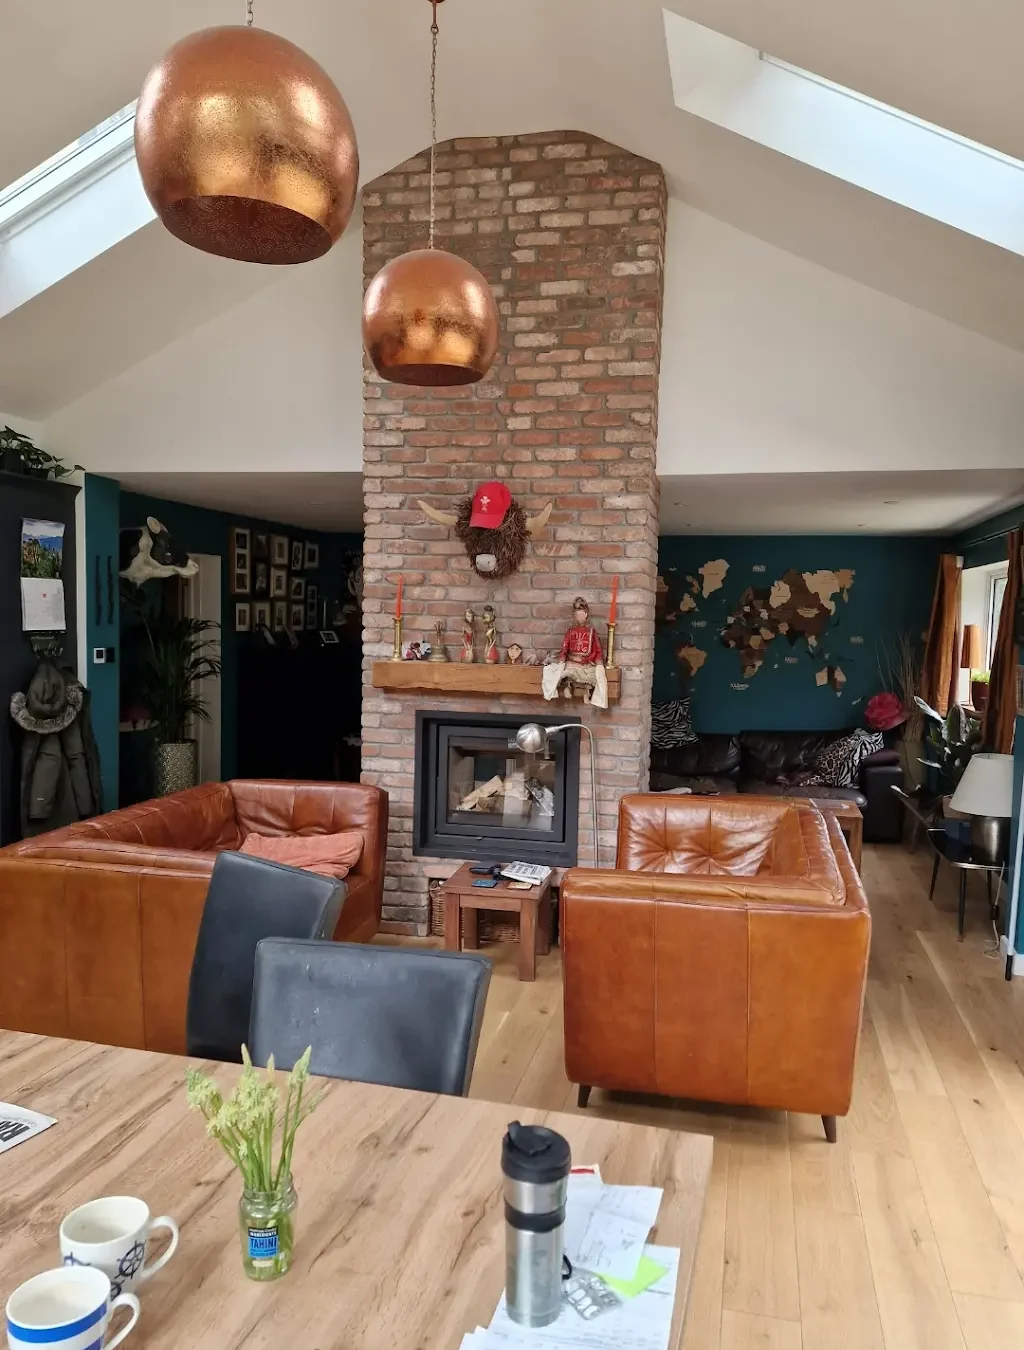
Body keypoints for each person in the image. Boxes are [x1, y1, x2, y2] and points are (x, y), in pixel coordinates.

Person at [542, 597, 608, 708]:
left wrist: (599, 662)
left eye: (581, 614)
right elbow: (565, 647)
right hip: (572, 661)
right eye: (577, 614)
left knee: (593, 675)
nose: (579, 617)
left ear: (586, 614)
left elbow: (597, 649)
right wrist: (562, 661)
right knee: (566, 672)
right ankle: (568, 686)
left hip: (587, 662)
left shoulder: (591, 631)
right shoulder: (571, 631)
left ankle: (587, 691)